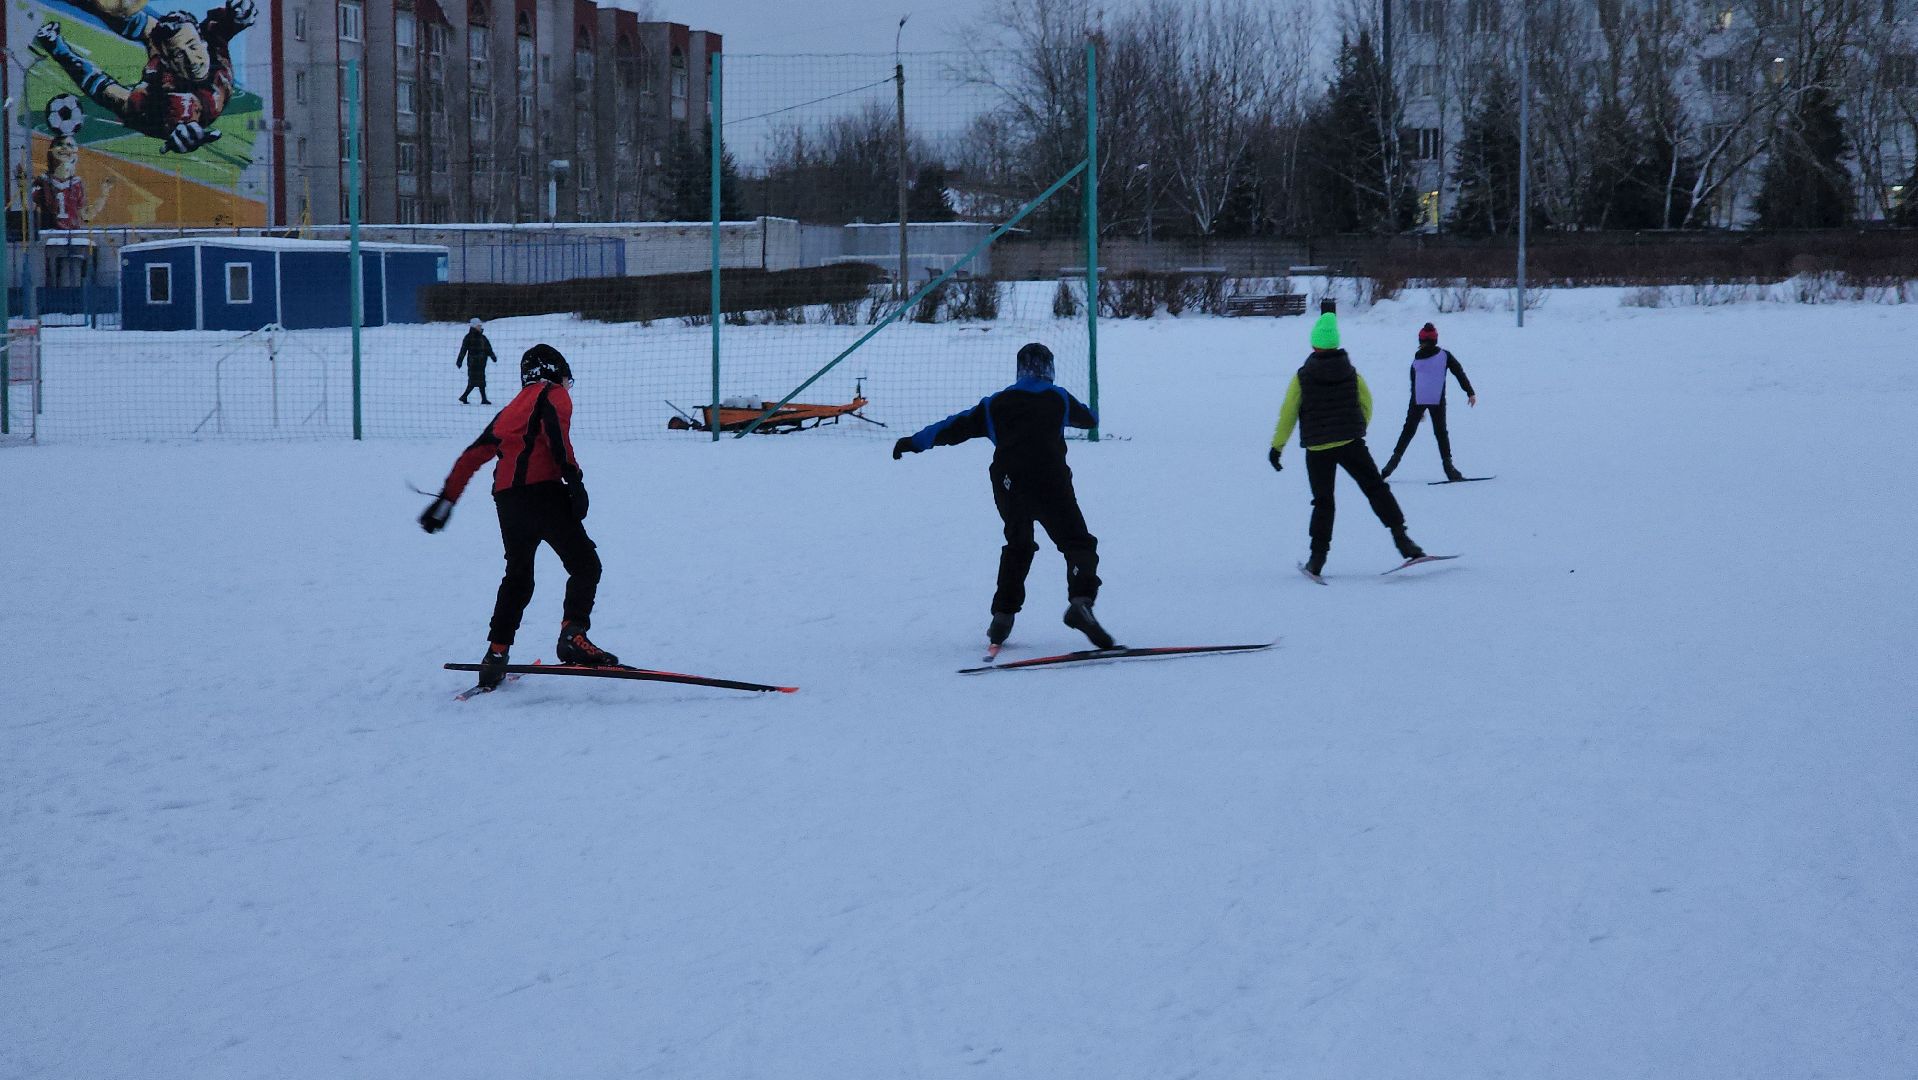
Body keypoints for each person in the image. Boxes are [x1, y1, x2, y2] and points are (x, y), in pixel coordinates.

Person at [891, 342, 1115, 651]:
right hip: (1051, 481)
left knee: (1018, 546)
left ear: (1020, 370)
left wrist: (914, 442)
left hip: (1010, 483)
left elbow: (953, 427)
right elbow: (1089, 419)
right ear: (1049, 369)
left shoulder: (995, 404)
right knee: (1078, 543)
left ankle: (1002, 617)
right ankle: (1080, 601)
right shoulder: (1058, 397)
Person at [418, 344, 618, 690]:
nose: (568, 388)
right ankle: (573, 636)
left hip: (508, 501)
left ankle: (495, 655)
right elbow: (557, 435)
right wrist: (574, 480)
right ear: (554, 372)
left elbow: (472, 456)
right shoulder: (552, 393)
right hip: (544, 494)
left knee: (518, 577)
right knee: (585, 565)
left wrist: (446, 500)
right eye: (568, 380)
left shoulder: (508, 411)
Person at [1269, 312, 1427, 578]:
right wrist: (1357, 427)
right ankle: (1403, 540)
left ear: (1314, 344)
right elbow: (1367, 403)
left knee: (1323, 502)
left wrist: (1277, 447)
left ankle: (1317, 559)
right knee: (1375, 488)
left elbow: (1288, 412)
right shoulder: (1351, 373)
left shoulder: (1302, 377)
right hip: (1351, 443)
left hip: (1318, 449)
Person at [32, 0, 253, 156]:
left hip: (150, 111)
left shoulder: (177, 95)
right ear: (166, 59)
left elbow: (183, 112)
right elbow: (223, 26)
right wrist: (238, 16)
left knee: (111, 94)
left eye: (193, 46)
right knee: (148, 26)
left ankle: (55, 45)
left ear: (202, 41)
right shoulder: (192, 59)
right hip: (167, 84)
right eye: (179, 54)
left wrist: (184, 130)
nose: (192, 60)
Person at [1381, 322, 1477, 481]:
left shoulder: (1417, 359)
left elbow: (1414, 381)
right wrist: (1470, 392)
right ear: (1435, 340)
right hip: (1437, 399)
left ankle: (1390, 466)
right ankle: (1449, 469)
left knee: (1408, 431)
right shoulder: (1445, 356)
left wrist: (1417, 407)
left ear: (1420, 340)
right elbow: (1459, 372)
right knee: (1441, 433)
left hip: (1418, 399)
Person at [456, 318, 497, 405]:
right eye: (478, 325)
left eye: (480, 325)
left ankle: (483, 399)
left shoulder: (483, 337)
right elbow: (463, 350)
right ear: (474, 326)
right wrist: (459, 361)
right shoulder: (468, 337)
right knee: (473, 381)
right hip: (473, 363)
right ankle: (464, 396)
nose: (480, 327)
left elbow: (488, 348)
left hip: (482, 363)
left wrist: (492, 356)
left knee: (481, 381)